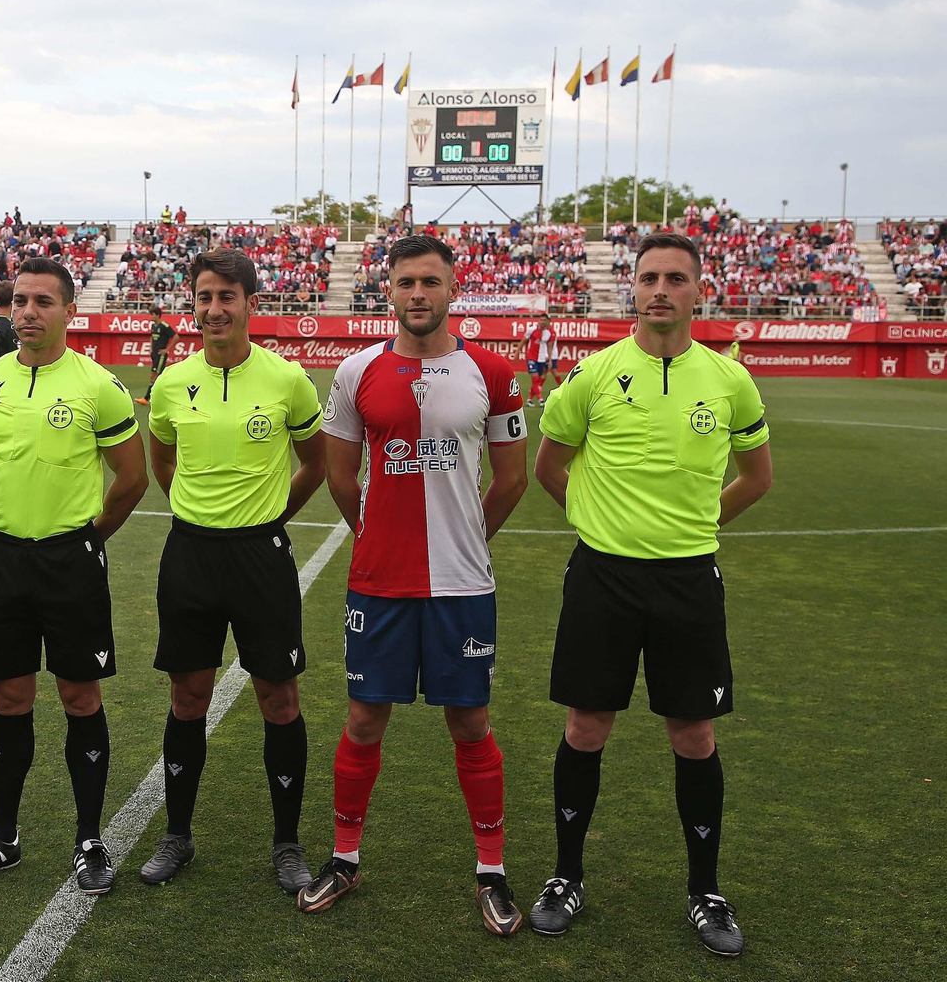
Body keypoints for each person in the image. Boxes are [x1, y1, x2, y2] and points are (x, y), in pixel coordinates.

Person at [530, 233, 773, 957]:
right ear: (630, 289)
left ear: (699, 289)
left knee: (694, 734)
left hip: (689, 579)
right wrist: (596, 522)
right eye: (648, 277)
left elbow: (757, 479)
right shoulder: (594, 373)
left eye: (675, 277)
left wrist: (694, 529)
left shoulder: (730, 380)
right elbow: (550, 466)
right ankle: (566, 875)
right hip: (602, 576)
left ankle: (706, 890)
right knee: (585, 726)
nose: (660, 288)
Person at [297, 235, 529, 935]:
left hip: (463, 587)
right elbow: (341, 476)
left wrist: (467, 539)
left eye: (431, 281)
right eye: (406, 282)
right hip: (380, 584)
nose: (418, 293)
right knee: (364, 720)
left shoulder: (493, 370)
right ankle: (344, 858)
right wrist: (373, 534)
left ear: (454, 287)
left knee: (470, 723)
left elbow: (512, 477)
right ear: (388, 290)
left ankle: (491, 870)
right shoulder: (356, 369)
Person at [0, 257, 148, 894]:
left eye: (43, 302)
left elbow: (132, 479)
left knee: (80, 697)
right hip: (2, 560)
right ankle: (1, 838)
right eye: (21, 301)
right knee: (11, 699)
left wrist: (86, 540)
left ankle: (89, 840)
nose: (28, 313)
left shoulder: (99, 386)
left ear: (68, 312)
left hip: (71, 562)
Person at [141, 247, 327, 895]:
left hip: (260, 555)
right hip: (190, 554)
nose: (214, 308)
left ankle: (286, 843)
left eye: (227, 296)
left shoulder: (287, 380)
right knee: (187, 696)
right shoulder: (170, 383)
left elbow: (315, 462)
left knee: (280, 697)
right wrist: (197, 512)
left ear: (251, 303)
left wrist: (272, 515)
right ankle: (178, 834)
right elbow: (162, 460)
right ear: (192, 303)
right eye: (204, 296)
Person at [133, 306, 176, 406]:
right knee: (158, 376)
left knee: (155, 375)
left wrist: (167, 350)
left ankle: (146, 398)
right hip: (155, 354)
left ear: (158, 315)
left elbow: (176, 337)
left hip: (161, 354)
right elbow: (152, 337)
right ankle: (162, 397)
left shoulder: (164, 326)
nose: (150, 316)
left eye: (152, 314)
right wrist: (151, 347)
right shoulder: (153, 326)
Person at [524, 313, 556, 406]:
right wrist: (517, 352)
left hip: (542, 359)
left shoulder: (549, 333)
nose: (542, 322)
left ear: (547, 322)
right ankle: (540, 399)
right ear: (539, 320)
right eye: (541, 320)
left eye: (544, 320)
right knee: (535, 379)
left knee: (537, 380)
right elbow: (523, 341)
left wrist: (550, 360)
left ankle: (529, 399)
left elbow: (550, 347)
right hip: (531, 357)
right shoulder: (532, 329)